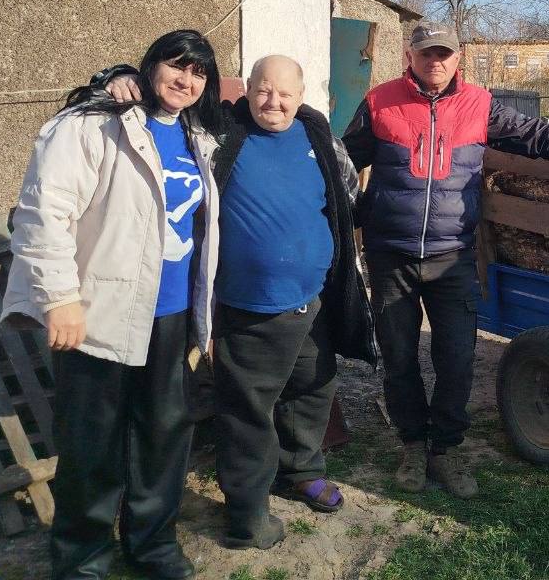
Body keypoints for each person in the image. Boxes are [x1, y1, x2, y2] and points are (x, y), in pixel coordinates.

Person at [342, 22, 549, 498]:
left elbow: (538, 137)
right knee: (399, 358)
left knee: (457, 358)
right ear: (409, 56)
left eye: (443, 53)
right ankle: (413, 446)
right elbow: (344, 162)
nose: (434, 61)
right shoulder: (380, 102)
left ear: (457, 59)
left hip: (453, 255)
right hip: (390, 255)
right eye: (425, 53)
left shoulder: (480, 105)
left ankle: (447, 448)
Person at [99, 55, 375, 551]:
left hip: (311, 300)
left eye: (285, 93)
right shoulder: (220, 131)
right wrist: (119, 77)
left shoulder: (316, 135)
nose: (274, 102)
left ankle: (300, 470)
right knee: (247, 410)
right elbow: (166, 100)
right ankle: (248, 514)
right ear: (248, 90)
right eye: (264, 90)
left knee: (313, 387)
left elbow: (348, 190)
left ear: (302, 93)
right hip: (250, 304)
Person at [2, 30, 223, 580]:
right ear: (151, 67)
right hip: (98, 310)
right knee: (91, 439)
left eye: (198, 72)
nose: (186, 80)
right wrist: (60, 300)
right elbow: (43, 213)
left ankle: (152, 545)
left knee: (163, 435)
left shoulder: (200, 136)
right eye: (176, 66)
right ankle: (82, 554)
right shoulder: (91, 125)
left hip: (169, 316)